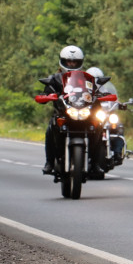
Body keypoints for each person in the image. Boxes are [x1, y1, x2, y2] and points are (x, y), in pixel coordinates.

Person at [41, 45, 86, 175]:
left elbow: (93, 90)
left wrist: (100, 96)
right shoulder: (54, 78)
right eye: (69, 61)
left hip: (81, 113)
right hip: (62, 114)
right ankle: (49, 162)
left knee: (98, 126)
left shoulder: (85, 78)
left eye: (75, 62)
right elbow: (46, 92)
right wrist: (47, 95)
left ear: (80, 62)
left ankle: (96, 162)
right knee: (50, 129)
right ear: (62, 61)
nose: (71, 64)